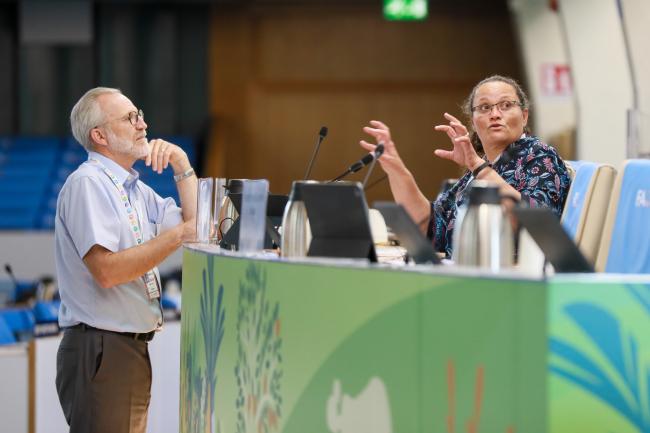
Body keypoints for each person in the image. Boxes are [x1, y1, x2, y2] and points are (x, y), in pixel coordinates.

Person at [54, 87, 197, 433]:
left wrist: (182, 164)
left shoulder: (133, 188)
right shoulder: (87, 183)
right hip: (101, 348)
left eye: (140, 114)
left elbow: (197, 227)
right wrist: (178, 235)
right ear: (99, 135)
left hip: (125, 348)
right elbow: (106, 271)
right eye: (130, 118)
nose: (143, 125)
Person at [360, 75, 571, 258]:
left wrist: (475, 165)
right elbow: (430, 226)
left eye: (506, 105)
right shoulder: (480, 172)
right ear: (473, 121)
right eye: (485, 108)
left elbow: (531, 223)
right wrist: (396, 169)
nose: (495, 114)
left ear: (524, 116)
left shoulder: (540, 155)